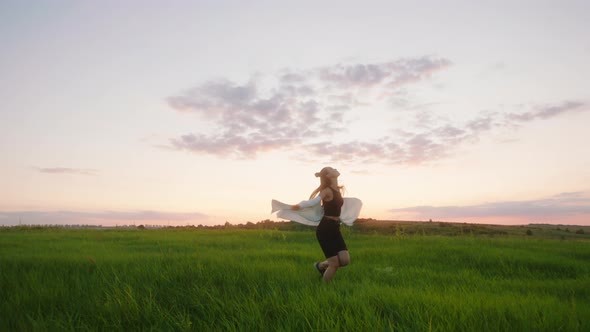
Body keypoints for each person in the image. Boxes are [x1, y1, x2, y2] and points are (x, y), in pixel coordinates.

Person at [291, 167, 350, 282]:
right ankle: (324, 289)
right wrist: (300, 206)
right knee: (334, 264)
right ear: (328, 176)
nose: (335, 169)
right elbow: (315, 201)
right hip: (325, 230)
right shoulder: (327, 191)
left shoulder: (337, 190)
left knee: (345, 260)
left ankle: (320, 266)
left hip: (335, 228)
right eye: (332, 169)